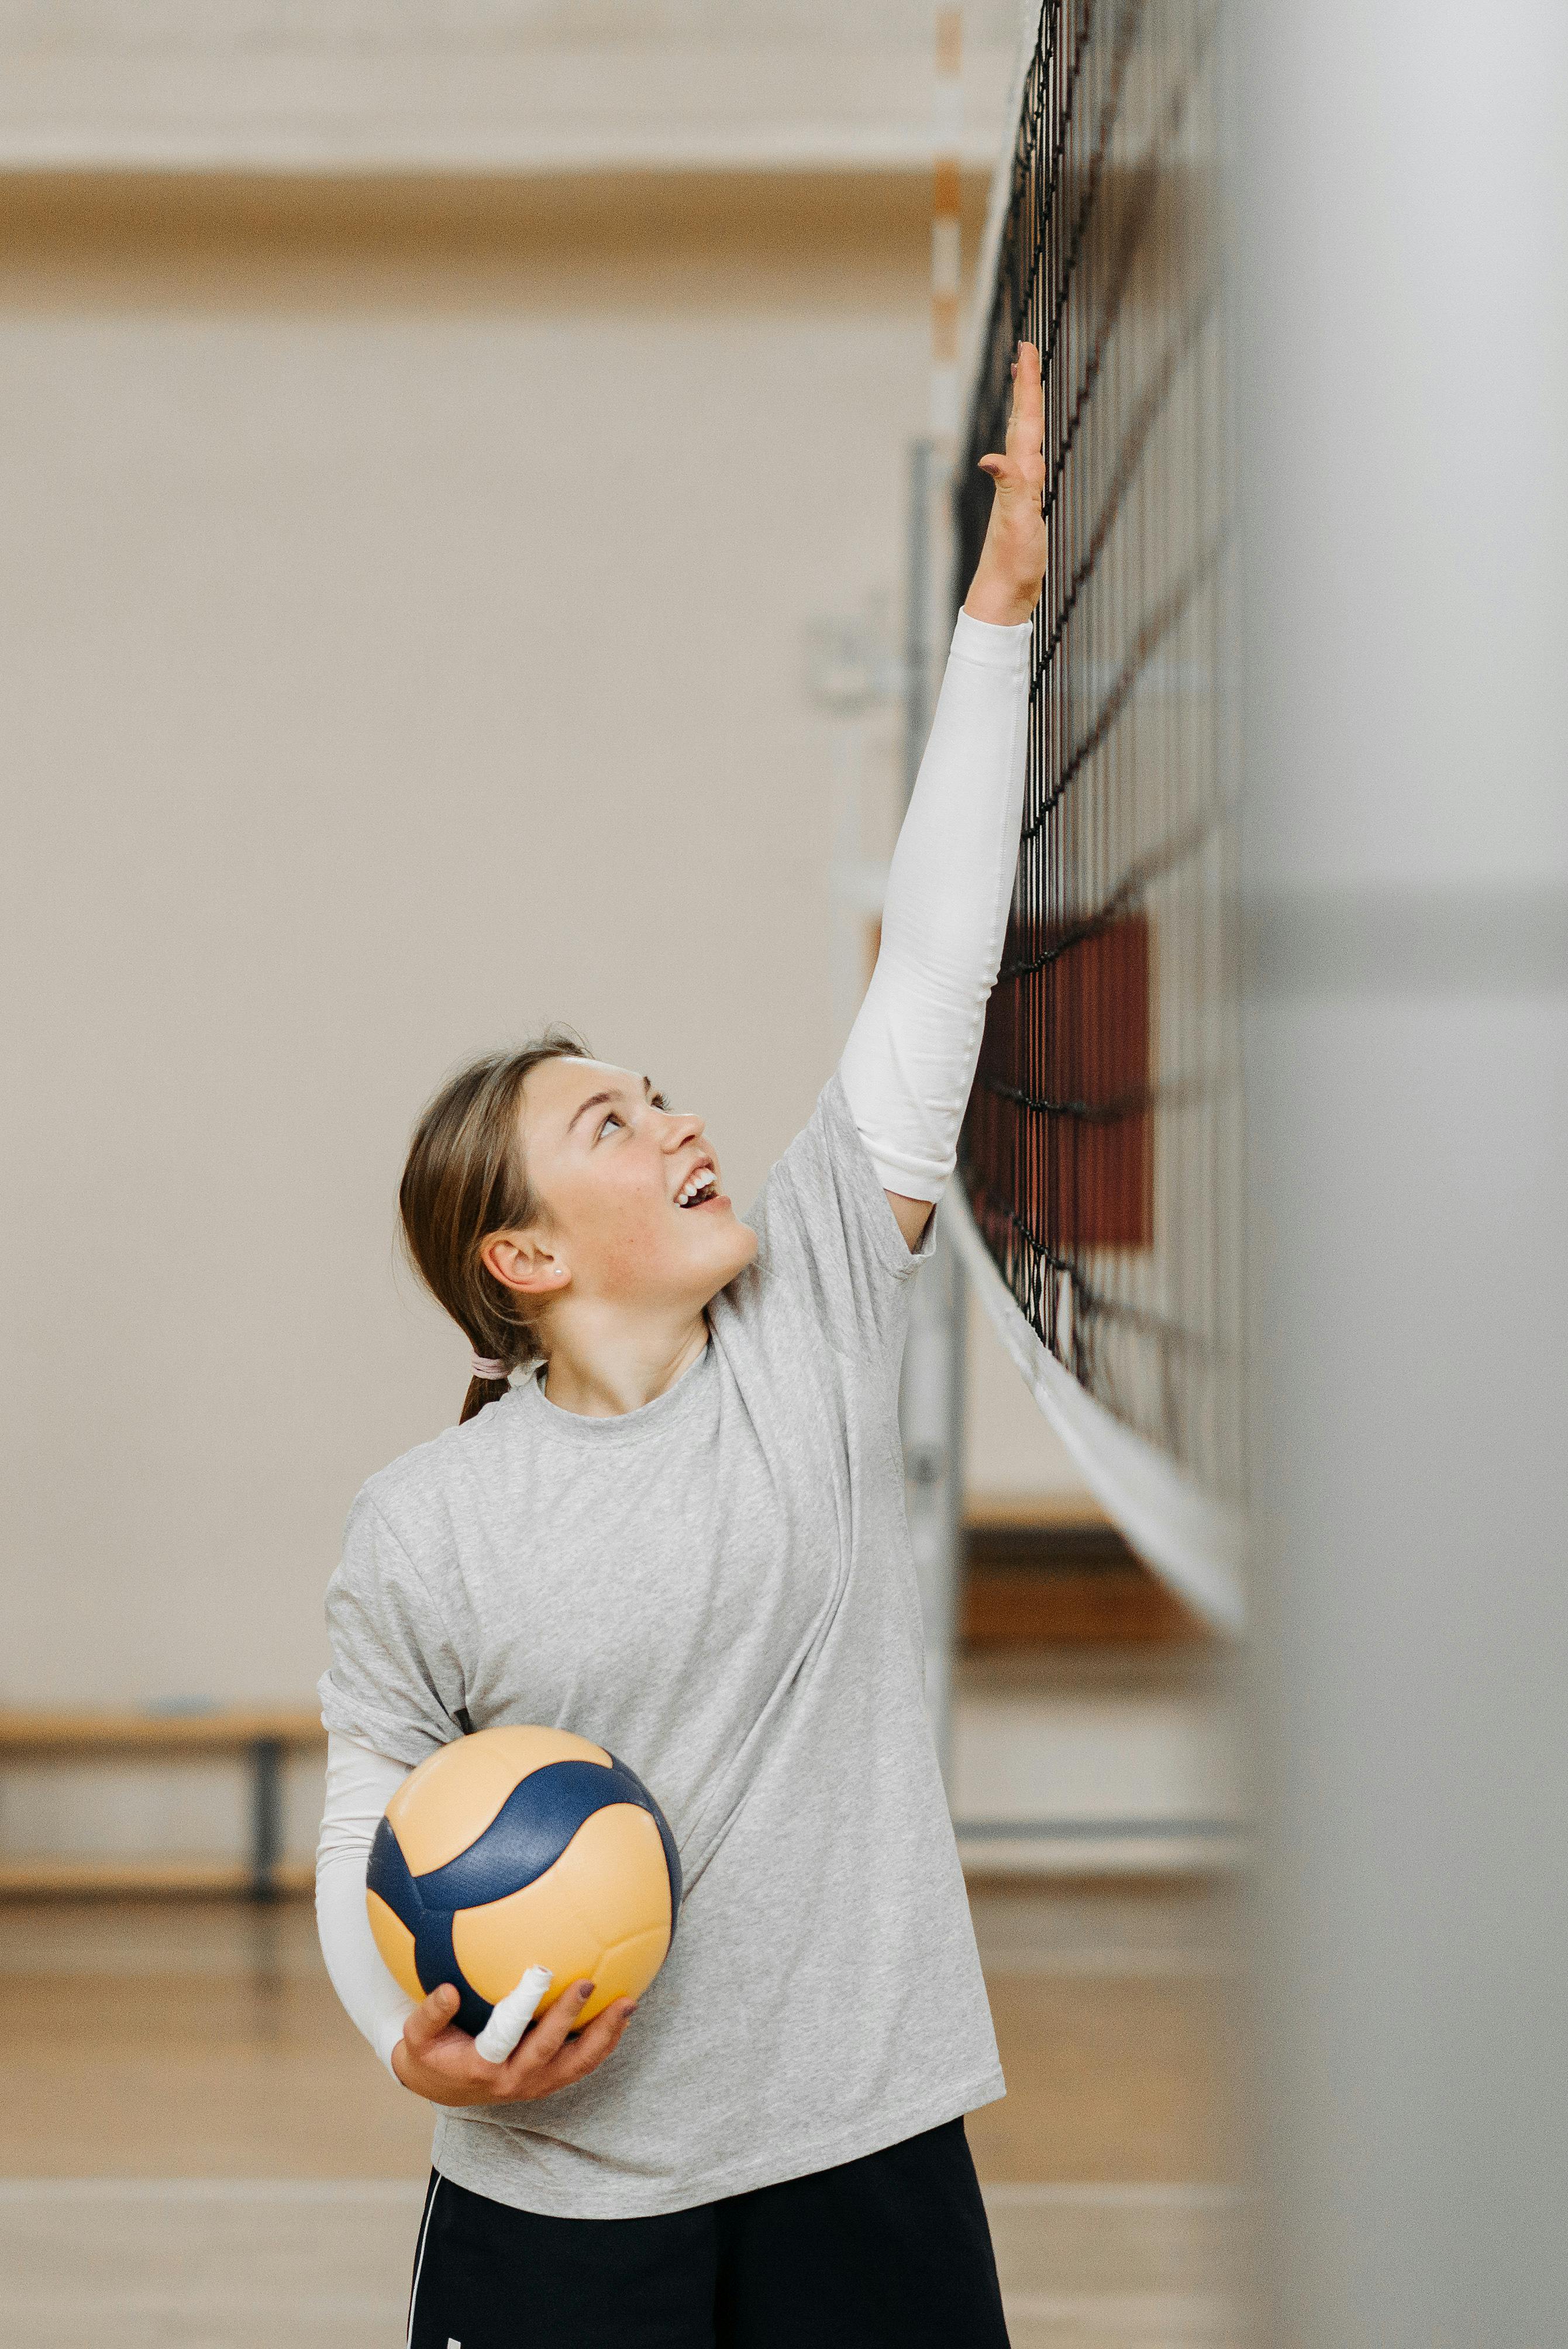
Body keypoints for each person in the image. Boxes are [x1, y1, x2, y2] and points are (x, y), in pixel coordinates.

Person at [315, 346, 1048, 2348]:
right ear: (525, 1250)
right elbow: (365, 1790)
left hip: (865, 2150)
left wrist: (993, 621)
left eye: (662, 1088)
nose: (682, 1119)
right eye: (612, 1123)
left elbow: (937, 962)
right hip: (563, 2193)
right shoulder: (431, 1520)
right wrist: (408, 2038)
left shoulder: (810, 1287)